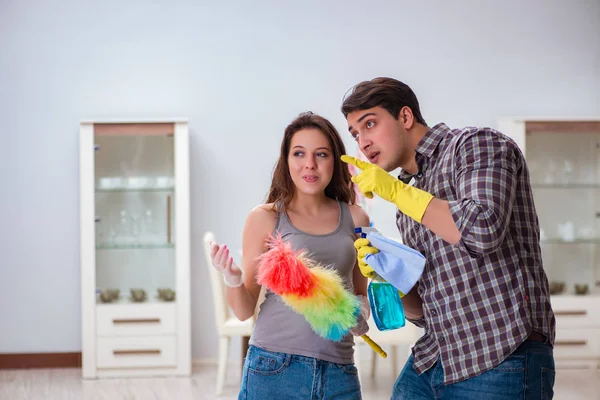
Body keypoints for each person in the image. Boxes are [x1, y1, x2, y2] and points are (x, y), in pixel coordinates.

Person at [340, 77, 556, 399]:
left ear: (405, 117)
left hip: (501, 355)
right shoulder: (408, 201)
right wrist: (390, 273)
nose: (363, 142)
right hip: (435, 358)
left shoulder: (476, 145)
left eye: (370, 124)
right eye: (355, 134)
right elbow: (424, 314)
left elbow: (482, 230)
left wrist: (396, 192)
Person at [210, 111, 371, 399]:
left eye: (321, 154)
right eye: (299, 153)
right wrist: (232, 279)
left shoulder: (357, 218)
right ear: (286, 160)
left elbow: (360, 293)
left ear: (335, 161)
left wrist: (359, 314)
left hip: (339, 371)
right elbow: (245, 310)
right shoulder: (265, 218)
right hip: (274, 367)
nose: (309, 164)